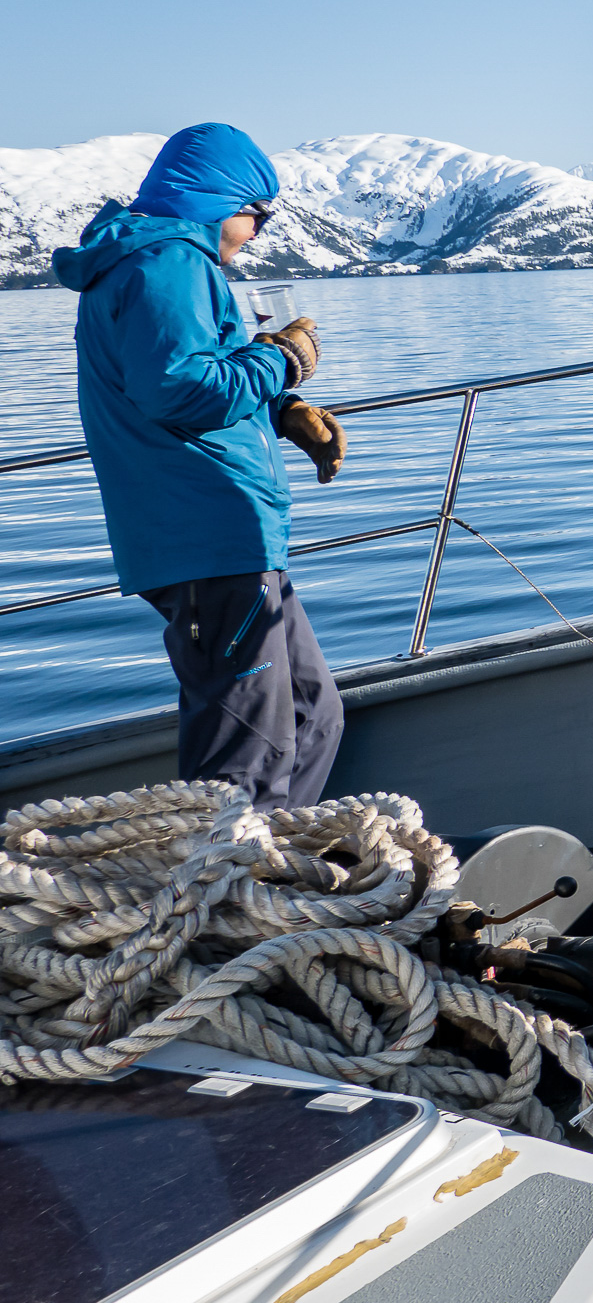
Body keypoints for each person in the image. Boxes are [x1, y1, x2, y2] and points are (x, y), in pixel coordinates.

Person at [52, 123, 346, 811]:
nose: (259, 231)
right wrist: (283, 358)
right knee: (244, 759)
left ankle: (272, 883)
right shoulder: (167, 263)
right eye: (257, 213)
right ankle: (223, 905)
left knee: (311, 715)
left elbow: (181, 380)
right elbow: (178, 389)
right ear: (216, 198)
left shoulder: (156, 261)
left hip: (229, 542)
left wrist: (282, 408)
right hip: (206, 540)